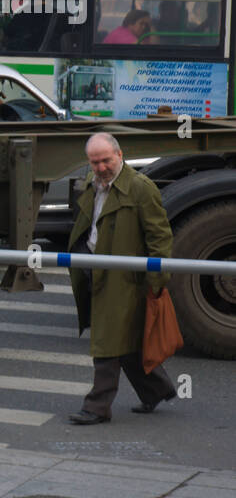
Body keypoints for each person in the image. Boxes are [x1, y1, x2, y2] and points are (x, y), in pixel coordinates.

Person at [67, 133, 176, 425]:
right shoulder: (93, 184)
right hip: (95, 268)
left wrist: (156, 281)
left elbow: (160, 236)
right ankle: (157, 390)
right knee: (126, 340)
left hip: (125, 278)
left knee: (106, 341)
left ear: (119, 154)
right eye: (94, 162)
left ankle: (97, 407)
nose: (101, 167)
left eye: (105, 160)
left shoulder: (141, 188)